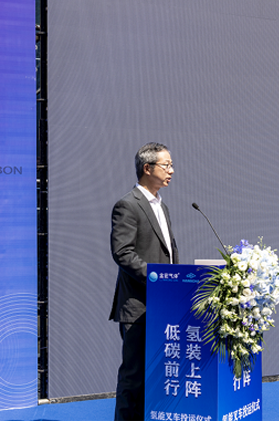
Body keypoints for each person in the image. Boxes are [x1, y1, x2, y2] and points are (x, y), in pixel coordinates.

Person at [110, 142, 179, 421]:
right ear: (147, 168)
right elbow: (123, 253)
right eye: (166, 165)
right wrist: (158, 279)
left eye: (171, 165)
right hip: (139, 306)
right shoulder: (128, 205)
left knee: (157, 375)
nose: (171, 170)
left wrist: (175, 283)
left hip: (163, 305)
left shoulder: (162, 207)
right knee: (134, 376)